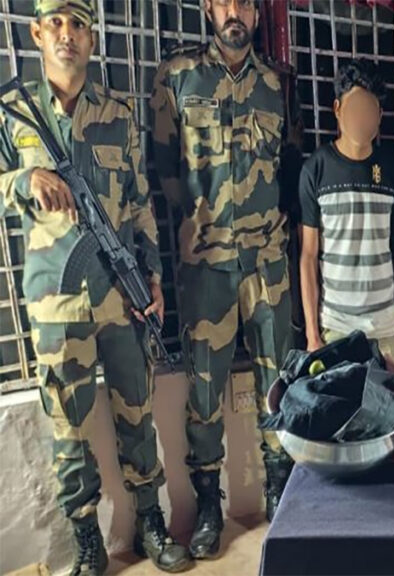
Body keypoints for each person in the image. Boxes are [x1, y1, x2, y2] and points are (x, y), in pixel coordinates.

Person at [0, 1, 190, 573]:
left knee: (137, 411)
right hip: (54, 299)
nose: (68, 34)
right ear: (37, 33)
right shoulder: (15, 113)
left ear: (92, 37)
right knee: (68, 425)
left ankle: (150, 522)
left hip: (118, 294)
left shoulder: (117, 114)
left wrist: (151, 277)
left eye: (79, 24)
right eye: (56, 22)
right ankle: (86, 538)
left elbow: (138, 205)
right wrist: (24, 179)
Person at [150, 0, 303, 560]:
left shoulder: (279, 84)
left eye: (245, 3)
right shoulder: (177, 75)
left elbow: (292, 163)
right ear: (209, 9)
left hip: (268, 262)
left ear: (257, 15)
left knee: (277, 381)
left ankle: (280, 490)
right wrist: (186, 221)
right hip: (205, 266)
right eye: (224, 2)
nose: (235, 11)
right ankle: (209, 504)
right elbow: (161, 162)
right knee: (204, 387)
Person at [298, 60, 394, 371]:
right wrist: (312, 334)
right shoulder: (317, 169)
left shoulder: (390, 169)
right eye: (354, 107)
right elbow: (308, 256)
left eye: (369, 110)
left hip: (385, 326)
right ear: (337, 109)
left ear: (379, 115)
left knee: (388, 401)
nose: (362, 118)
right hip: (336, 326)